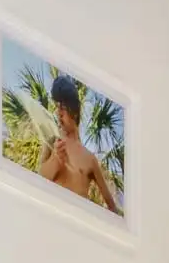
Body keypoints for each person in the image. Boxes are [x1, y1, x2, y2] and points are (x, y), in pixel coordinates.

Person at [37, 74, 121, 210]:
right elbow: (38, 181)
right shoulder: (52, 141)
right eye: (56, 107)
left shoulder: (90, 159)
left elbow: (113, 209)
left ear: (74, 111)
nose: (58, 113)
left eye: (62, 107)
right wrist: (56, 159)